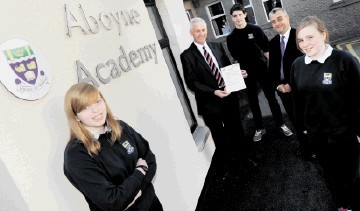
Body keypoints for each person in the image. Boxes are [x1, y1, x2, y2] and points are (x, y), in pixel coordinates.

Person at [290, 15, 360, 211]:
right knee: (330, 174)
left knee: (352, 176)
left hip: (345, 133)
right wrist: (302, 130)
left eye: (310, 37)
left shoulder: (343, 60)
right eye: (301, 40)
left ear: (324, 34)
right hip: (317, 135)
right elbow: (297, 101)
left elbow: (358, 97)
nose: (305, 44)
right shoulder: (297, 65)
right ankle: (343, 206)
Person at [63, 82, 163, 211]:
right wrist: (140, 171)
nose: (96, 110)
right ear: (76, 116)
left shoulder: (120, 127)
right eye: (85, 107)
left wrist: (135, 194)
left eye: (97, 101)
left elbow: (150, 160)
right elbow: (112, 202)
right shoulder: (76, 155)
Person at [180, 17, 248, 153]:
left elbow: (227, 66)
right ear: (191, 33)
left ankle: (244, 158)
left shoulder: (217, 46)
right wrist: (213, 92)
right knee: (221, 138)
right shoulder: (187, 55)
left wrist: (238, 73)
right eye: (197, 31)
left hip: (229, 97)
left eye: (203, 30)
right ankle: (229, 166)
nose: (201, 33)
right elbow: (191, 82)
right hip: (209, 104)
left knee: (237, 130)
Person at [226, 4, 293, 142]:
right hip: (246, 74)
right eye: (235, 16)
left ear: (245, 14)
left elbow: (267, 50)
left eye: (240, 14)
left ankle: (281, 124)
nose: (238, 18)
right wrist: (239, 72)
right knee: (253, 102)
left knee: (271, 98)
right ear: (231, 18)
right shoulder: (231, 37)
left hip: (262, 69)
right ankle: (259, 128)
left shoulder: (255, 29)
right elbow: (235, 59)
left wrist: (275, 69)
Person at [268, 8, 314, 159]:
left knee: (308, 120)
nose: (277, 23)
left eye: (279, 19)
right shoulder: (273, 43)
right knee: (295, 121)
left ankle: (316, 148)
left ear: (287, 18)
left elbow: (309, 64)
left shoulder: (300, 37)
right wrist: (277, 85)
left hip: (300, 90)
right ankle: (305, 148)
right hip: (283, 91)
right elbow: (272, 69)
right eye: (273, 21)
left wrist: (291, 84)